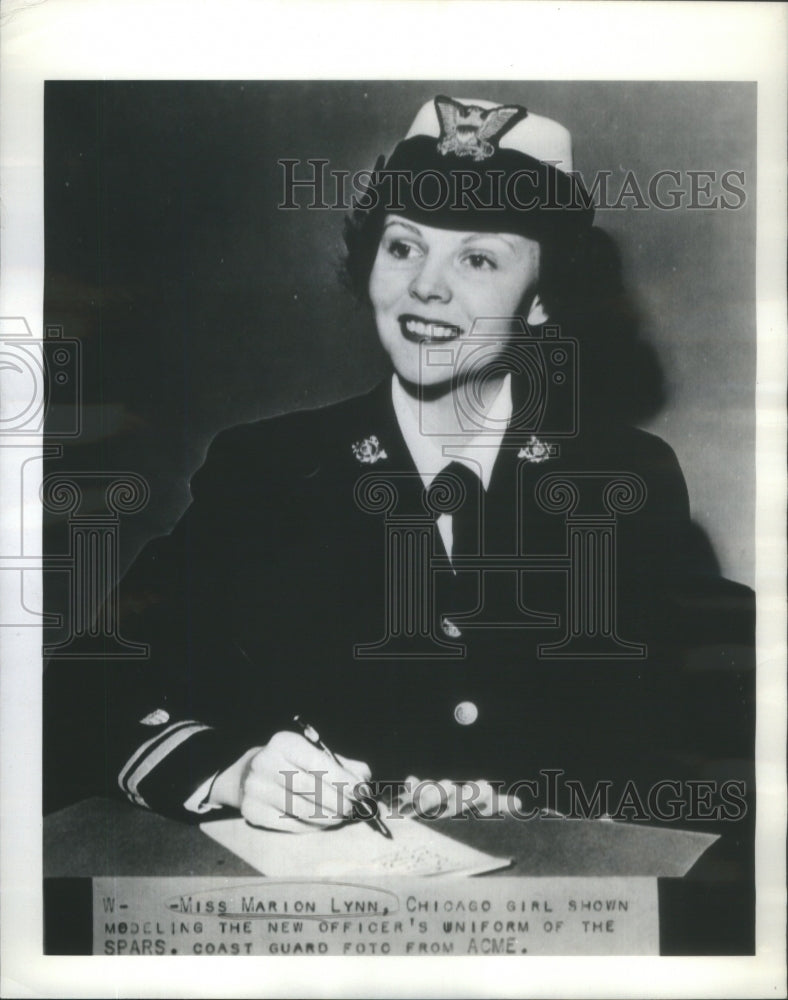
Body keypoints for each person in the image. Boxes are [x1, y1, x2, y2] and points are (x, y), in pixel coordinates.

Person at [44, 96, 753, 855]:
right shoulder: (269, 474)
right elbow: (79, 693)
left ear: (543, 298)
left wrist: (550, 793)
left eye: (476, 259)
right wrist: (232, 771)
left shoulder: (627, 480)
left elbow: (710, 729)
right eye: (404, 247)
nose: (426, 288)